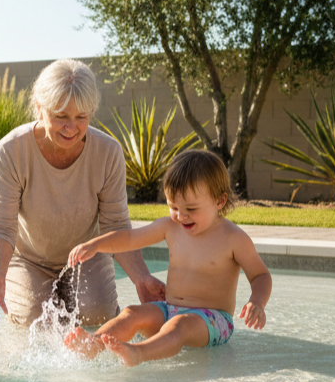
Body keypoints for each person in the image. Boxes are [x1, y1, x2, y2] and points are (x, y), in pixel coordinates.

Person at [0, 59, 165, 326]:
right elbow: (2, 225)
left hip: (87, 257)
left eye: (81, 117)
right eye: (61, 116)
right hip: (30, 259)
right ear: (39, 108)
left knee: (97, 314)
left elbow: (116, 225)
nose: (71, 128)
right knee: (33, 319)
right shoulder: (11, 150)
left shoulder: (108, 152)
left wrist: (142, 278)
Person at [64, 149, 272, 365]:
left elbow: (260, 275)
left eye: (191, 208)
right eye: (173, 207)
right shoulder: (171, 227)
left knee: (179, 325)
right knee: (131, 313)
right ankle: (93, 345)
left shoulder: (233, 238)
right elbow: (129, 239)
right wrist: (96, 244)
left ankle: (138, 353)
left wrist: (256, 302)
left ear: (219, 201)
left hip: (213, 319)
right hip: (169, 308)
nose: (181, 216)